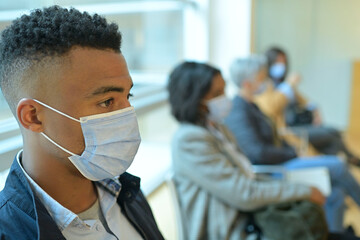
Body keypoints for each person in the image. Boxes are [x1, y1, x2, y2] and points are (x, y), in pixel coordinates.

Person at [0, 6, 164, 240]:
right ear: (33, 116)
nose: (127, 114)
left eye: (128, 97)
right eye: (107, 101)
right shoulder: (8, 232)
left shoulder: (128, 193)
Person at [166, 61, 360, 240]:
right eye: (217, 94)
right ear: (195, 99)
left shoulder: (216, 128)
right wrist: (302, 190)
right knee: (335, 172)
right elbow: (243, 192)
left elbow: (247, 176)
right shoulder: (189, 139)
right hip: (239, 227)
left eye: (223, 91)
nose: (224, 98)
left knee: (332, 195)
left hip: (253, 212)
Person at [224, 55, 360, 233]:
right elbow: (258, 153)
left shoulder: (252, 106)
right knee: (338, 165)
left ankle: (333, 236)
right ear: (247, 83)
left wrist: (292, 150)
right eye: (261, 78)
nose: (266, 82)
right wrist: (293, 154)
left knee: (336, 194)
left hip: (281, 162)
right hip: (274, 170)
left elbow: (274, 138)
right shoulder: (238, 111)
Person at [257, 46, 360, 165]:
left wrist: (315, 109)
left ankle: (339, 162)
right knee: (330, 135)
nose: (282, 65)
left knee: (334, 133)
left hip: (297, 126)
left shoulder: (282, 83)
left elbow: (305, 101)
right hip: (287, 131)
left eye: (284, 62)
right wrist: (289, 84)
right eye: (278, 62)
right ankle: (342, 162)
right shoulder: (266, 85)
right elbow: (271, 107)